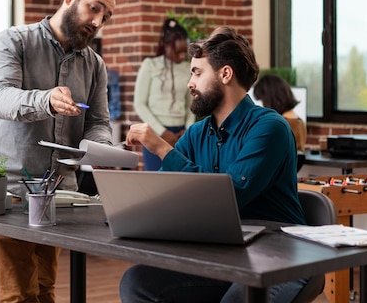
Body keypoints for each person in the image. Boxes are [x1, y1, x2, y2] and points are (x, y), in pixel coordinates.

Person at [121, 26, 307, 303]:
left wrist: (161, 147)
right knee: (138, 282)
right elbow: (165, 191)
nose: (190, 83)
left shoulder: (270, 127)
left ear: (225, 74)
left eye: (197, 72)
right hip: (225, 254)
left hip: (278, 257)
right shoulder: (197, 133)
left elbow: (230, 196)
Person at [0, 0, 115, 303]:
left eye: (105, 16)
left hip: (57, 193)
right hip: (8, 192)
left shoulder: (95, 64)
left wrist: (103, 148)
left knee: (44, 290)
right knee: (19, 295)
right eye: (94, 9)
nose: (97, 21)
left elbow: (98, 122)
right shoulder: (14, 40)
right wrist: (46, 100)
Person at [133, 18, 195, 170]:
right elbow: (140, 104)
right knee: (155, 181)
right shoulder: (150, 65)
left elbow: (190, 105)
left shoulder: (188, 68)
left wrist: (187, 130)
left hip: (181, 134)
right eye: (178, 51)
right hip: (154, 134)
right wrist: (162, 132)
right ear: (166, 45)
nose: (182, 56)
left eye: (184, 52)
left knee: (180, 180)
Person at [253, 73, 307, 153]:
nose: (262, 105)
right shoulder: (300, 123)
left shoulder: (279, 126)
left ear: (270, 99)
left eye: (262, 100)